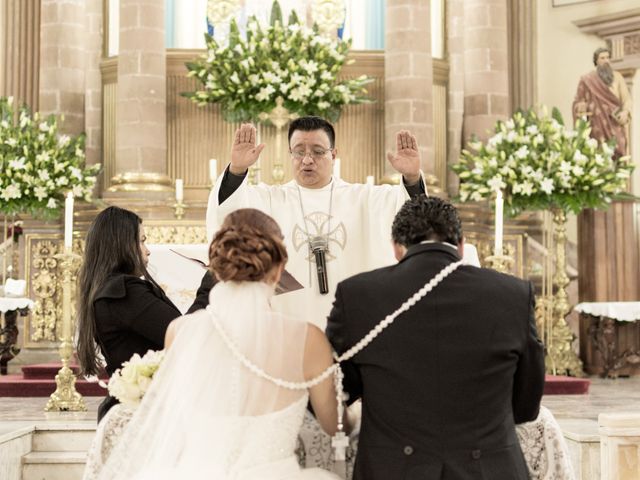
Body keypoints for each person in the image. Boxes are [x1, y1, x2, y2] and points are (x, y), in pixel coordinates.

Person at [89, 208, 343, 480]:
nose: (147, 250)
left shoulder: (182, 332)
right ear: (279, 269)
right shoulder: (308, 338)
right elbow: (335, 424)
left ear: (219, 267)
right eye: (142, 240)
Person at [326, 196, 545, 479]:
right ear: (462, 246)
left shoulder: (357, 294)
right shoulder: (514, 294)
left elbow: (336, 386)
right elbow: (526, 406)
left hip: (393, 469)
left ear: (396, 247)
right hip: (488, 469)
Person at [206, 116, 426, 328]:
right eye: (299, 152)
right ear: (289, 153)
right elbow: (229, 216)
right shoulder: (271, 199)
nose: (307, 160)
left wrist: (412, 178)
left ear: (334, 154)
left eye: (318, 152)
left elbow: (408, 215)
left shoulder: (364, 198)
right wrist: (237, 170)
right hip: (287, 320)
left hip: (351, 319)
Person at [77, 206, 183, 422]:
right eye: (141, 241)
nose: (148, 250)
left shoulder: (112, 290)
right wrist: (213, 281)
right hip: (141, 416)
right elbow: (183, 332)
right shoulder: (124, 294)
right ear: (120, 245)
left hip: (136, 409)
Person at [573, 46, 632, 159]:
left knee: (619, 150)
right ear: (596, 61)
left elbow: (627, 99)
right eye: (602, 58)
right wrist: (581, 106)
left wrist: (625, 112)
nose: (606, 61)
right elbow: (578, 101)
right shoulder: (587, 79)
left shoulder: (617, 77)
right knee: (598, 154)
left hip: (615, 122)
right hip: (596, 124)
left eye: (607, 58)